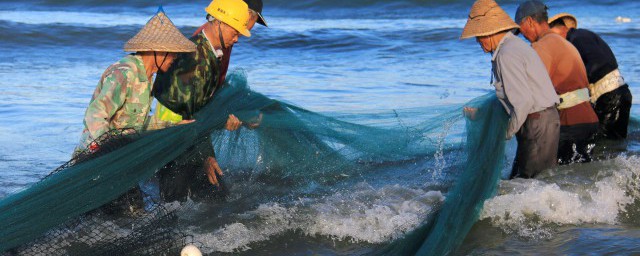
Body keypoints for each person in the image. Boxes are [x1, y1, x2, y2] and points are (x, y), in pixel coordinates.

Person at [75, 9, 197, 212]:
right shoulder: (125, 73)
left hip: (120, 161)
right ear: (158, 50)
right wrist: (108, 150)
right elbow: (95, 114)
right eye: (173, 52)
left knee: (134, 212)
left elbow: (139, 123)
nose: (175, 57)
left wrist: (173, 126)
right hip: (95, 161)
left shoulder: (147, 79)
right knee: (126, 213)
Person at [151, 0, 257, 202]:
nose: (236, 40)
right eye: (235, 33)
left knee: (212, 199)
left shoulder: (208, 52)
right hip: (173, 142)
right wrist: (207, 156)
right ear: (219, 23)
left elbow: (200, 106)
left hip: (188, 138)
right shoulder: (196, 60)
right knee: (175, 205)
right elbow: (190, 115)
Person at [461, 0, 560, 178]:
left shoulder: (506, 54)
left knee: (530, 184)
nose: (477, 41)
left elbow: (523, 102)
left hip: (537, 122)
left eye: (479, 35)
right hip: (543, 120)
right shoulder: (513, 46)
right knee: (534, 181)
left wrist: (504, 133)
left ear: (490, 32)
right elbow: (514, 97)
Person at [515, 0, 599, 165]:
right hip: (589, 120)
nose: (523, 36)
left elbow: (531, 89)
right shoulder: (564, 43)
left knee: (556, 179)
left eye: (521, 29)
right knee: (581, 179)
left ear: (530, 22)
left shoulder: (541, 47)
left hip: (571, 123)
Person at [548, 13, 633, 140]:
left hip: (610, 97)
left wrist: (579, 83)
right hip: (619, 92)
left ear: (560, 30)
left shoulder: (576, 39)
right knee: (616, 142)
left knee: (603, 143)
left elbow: (597, 64)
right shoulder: (583, 35)